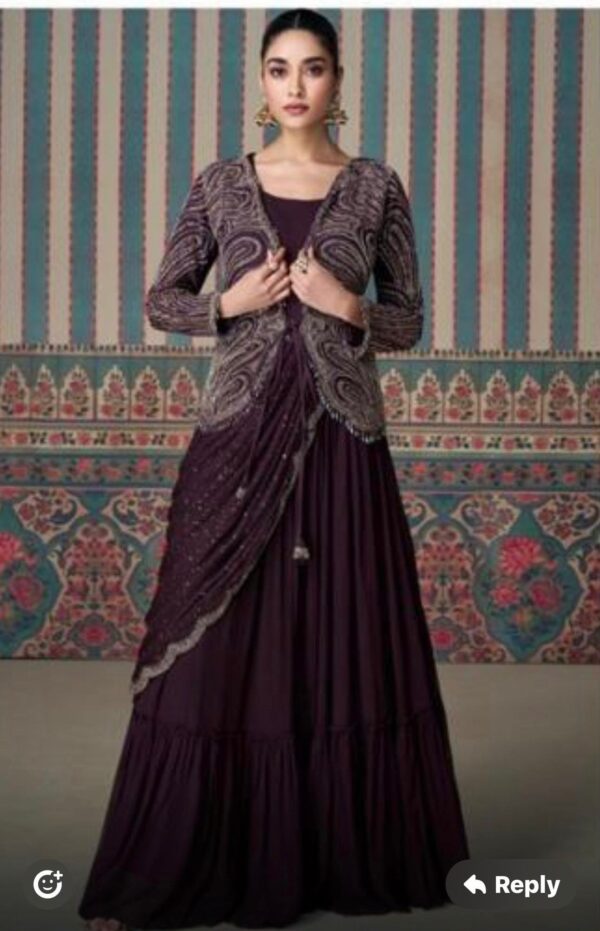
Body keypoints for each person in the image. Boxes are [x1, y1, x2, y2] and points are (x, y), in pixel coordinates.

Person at [79, 8, 470, 930]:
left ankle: (335, 853)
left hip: (343, 443)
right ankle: (181, 855)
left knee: (338, 640)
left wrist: (348, 305)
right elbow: (161, 300)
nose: (296, 85)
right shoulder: (221, 184)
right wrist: (228, 304)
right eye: (280, 68)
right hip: (238, 439)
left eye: (314, 68)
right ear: (260, 83)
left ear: (339, 81)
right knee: (217, 647)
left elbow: (411, 319)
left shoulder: (375, 188)